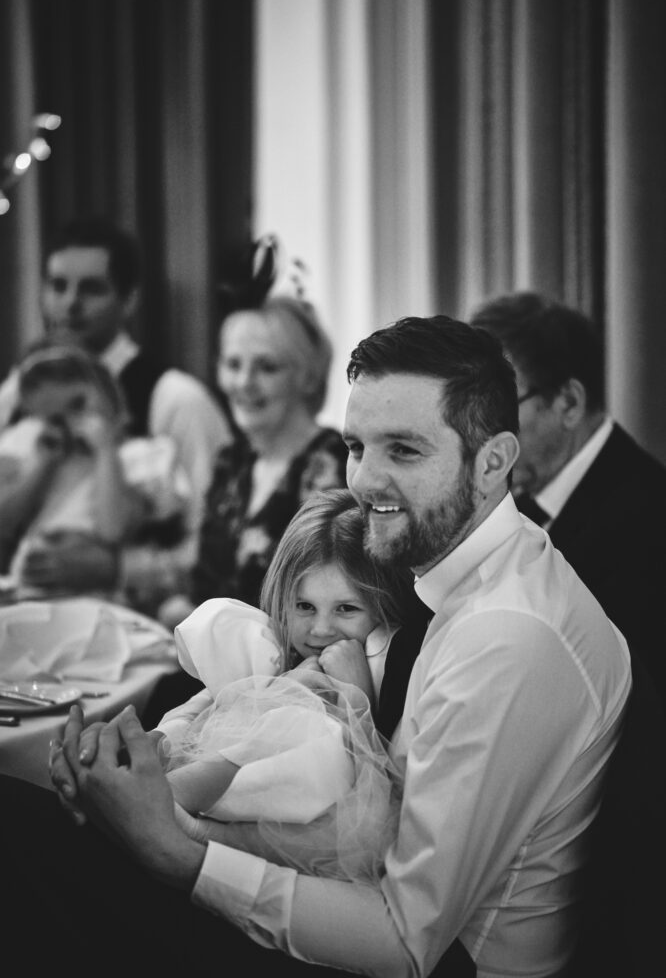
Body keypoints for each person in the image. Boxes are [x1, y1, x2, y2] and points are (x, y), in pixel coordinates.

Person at [5, 314, 630, 977]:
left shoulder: (505, 637)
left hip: (446, 964)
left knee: (17, 838)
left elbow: (402, 942)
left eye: (404, 450)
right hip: (376, 908)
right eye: (357, 446)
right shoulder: (478, 576)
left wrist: (179, 849)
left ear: (493, 461)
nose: (364, 481)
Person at [143, 489, 412, 884]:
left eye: (346, 608)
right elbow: (208, 700)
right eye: (304, 606)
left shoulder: (379, 663)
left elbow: (373, 783)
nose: (320, 629)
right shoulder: (274, 647)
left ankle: (165, 800)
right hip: (237, 790)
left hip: (300, 818)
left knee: (296, 723)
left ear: (382, 606)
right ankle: (158, 792)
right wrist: (165, 735)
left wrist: (356, 694)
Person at [0, 217, 232, 600]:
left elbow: (216, 544)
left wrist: (119, 568)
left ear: (129, 300)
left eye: (91, 289)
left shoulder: (176, 399)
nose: (70, 304)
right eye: (58, 286)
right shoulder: (14, 396)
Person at [469, 291, 666, 709]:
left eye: (498, 407)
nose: (480, 432)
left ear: (569, 402)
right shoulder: (513, 502)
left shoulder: (650, 520)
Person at [157, 295, 348, 630]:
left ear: (307, 377)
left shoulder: (331, 461)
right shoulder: (231, 462)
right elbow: (205, 583)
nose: (244, 382)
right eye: (233, 365)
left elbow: (323, 602)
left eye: (267, 367)